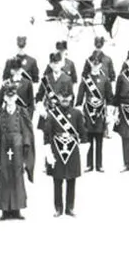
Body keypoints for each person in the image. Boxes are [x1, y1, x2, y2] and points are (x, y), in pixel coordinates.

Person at [0, 85, 35, 220]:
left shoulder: (22, 112)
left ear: (16, 97)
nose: (10, 99)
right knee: (4, 177)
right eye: (7, 97)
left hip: (18, 148)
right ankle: (4, 210)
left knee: (17, 176)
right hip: (3, 147)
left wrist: (26, 151)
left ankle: (16, 210)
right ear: (4, 97)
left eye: (12, 96)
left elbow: (27, 131)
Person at [40, 82, 85, 216]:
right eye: (62, 96)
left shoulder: (77, 113)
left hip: (72, 151)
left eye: (68, 96)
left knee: (72, 180)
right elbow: (47, 135)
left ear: (72, 97)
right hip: (56, 151)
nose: (65, 99)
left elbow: (83, 133)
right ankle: (58, 208)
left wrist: (81, 150)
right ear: (58, 97)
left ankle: (70, 208)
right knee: (57, 180)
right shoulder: (52, 114)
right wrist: (48, 154)